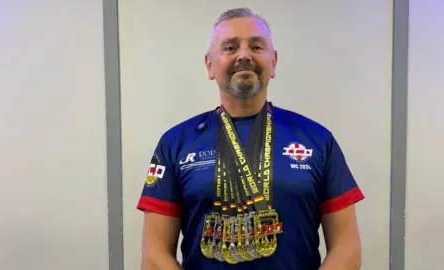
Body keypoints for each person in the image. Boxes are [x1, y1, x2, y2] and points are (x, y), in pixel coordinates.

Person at [137, 7, 365, 270]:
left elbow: (346, 246)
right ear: (210, 65)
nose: (243, 55)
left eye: (256, 47)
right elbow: (154, 255)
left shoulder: (317, 139)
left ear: (274, 62)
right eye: (230, 47)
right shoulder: (175, 143)